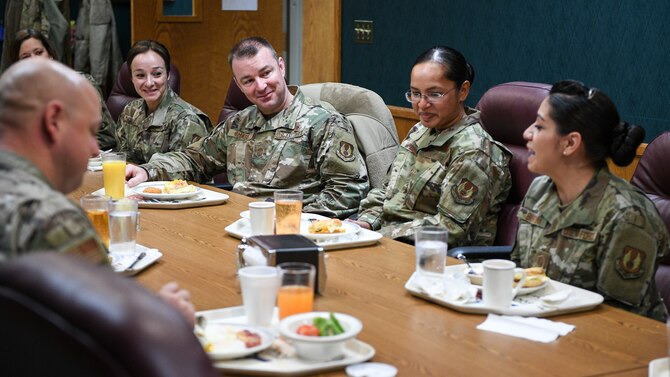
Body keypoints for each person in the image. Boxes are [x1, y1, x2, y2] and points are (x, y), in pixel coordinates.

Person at [0, 59, 195, 326]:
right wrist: (163, 316)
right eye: (90, 131)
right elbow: (113, 334)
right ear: (53, 121)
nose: (94, 150)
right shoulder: (50, 219)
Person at [125, 36, 369, 219]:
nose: (261, 86)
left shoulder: (323, 122)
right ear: (238, 85)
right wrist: (149, 171)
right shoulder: (238, 124)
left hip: (292, 231)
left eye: (266, 73)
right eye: (248, 81)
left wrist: (290, 219)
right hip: (236, 222)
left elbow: (348, 189)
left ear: (281, 67)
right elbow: (195, 160)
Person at [511, 80, 669, 321]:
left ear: (570, 143)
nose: (527, 133)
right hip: (539, 324)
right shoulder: (540, 190)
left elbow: (618, 318)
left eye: (540, 127)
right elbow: (521, 275)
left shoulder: (626, 214)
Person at [352, 46, 512, 246]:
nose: (422, 104)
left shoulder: (474, 151)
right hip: (392, 243)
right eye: (415, 93)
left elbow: (450, 229)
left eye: (434, 94)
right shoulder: (420, 131)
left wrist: (383, 234)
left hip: (436, 259)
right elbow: (386, 191)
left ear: (463, 91)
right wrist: (365, 223)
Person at [10, 28, 117, 151]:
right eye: (25, 57)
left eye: (39, 52)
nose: (34, 59)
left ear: (50, 55)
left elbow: (107, 137)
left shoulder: (80, 83)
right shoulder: (15, 96)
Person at [115, 40, 212, 164]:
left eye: (157, 74)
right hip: (136, 182)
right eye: (140, 75)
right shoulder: (130, 111)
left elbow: (186, 174)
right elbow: (125, 161)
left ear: (168, 75)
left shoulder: (187, 120)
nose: (149, 83)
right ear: (131, 78)